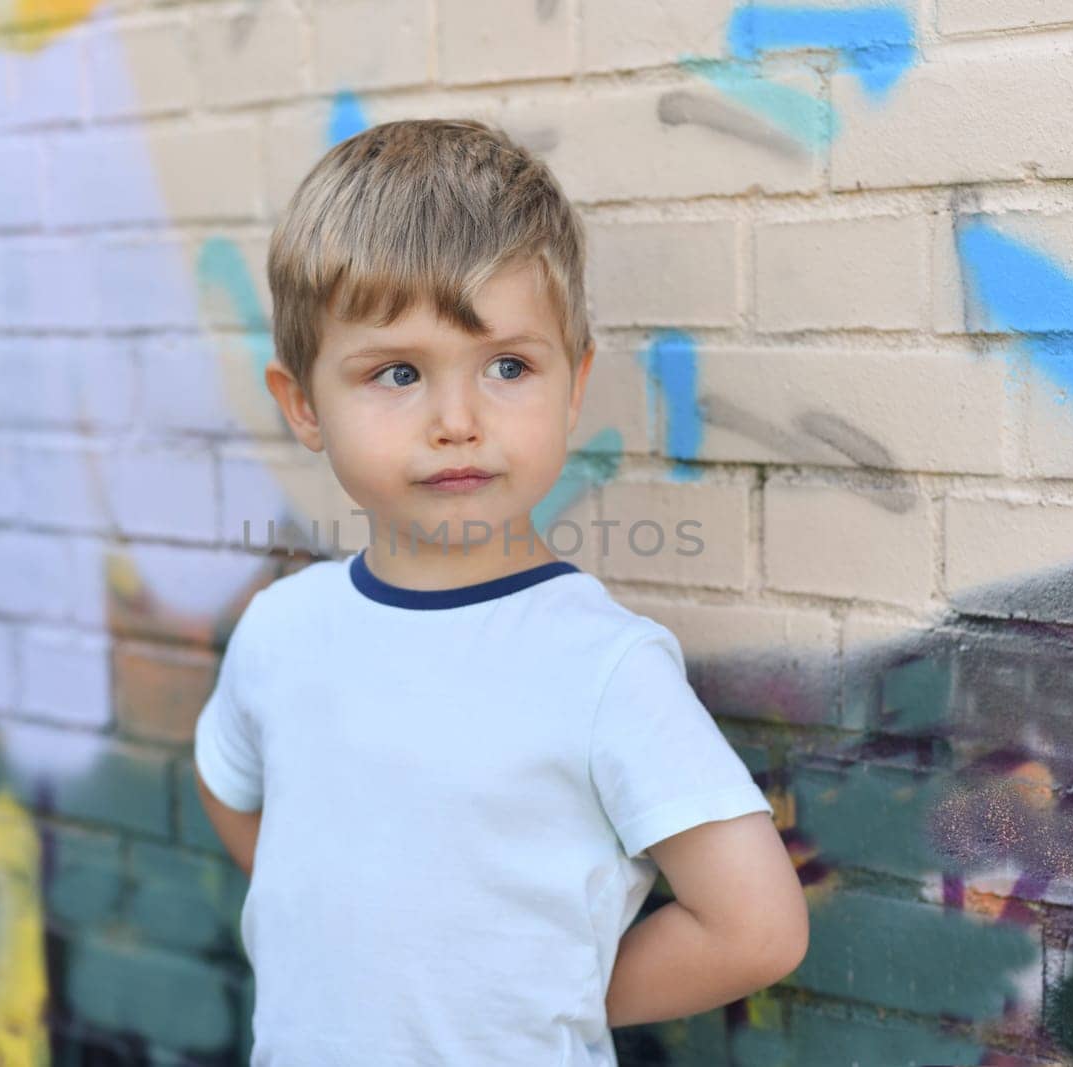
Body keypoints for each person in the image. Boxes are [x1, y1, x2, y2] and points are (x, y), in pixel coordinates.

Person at [192, 117, 808, 1065]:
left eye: (508, 366)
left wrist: (536, 997)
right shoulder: (281, 630)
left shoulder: (601, 666)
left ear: (573, 386)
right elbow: (231, 786)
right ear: (303, 403)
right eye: (397, 372)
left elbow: (757, 927)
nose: (458, 420)